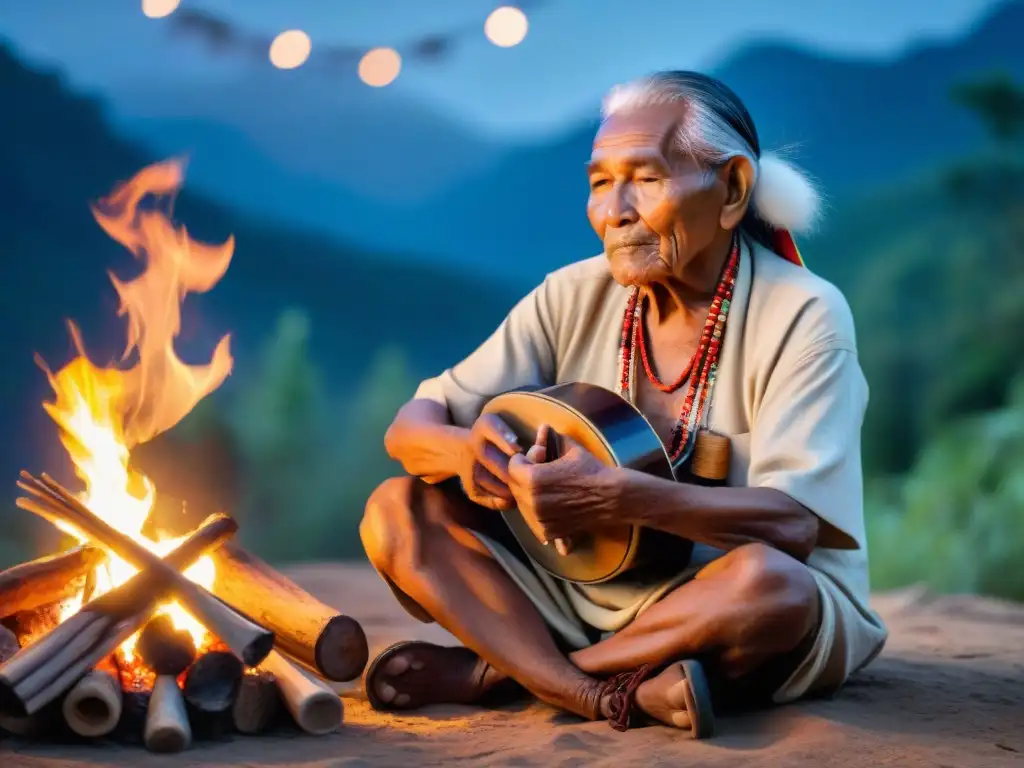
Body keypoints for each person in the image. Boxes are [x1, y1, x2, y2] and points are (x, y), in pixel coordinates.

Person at [359, 70, 888, 737]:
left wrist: (620, 499)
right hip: (583, 587)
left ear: (731, 190)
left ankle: (511, 674)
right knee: (396, 510)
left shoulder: (805, 314)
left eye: (645, 178)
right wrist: (468, 453)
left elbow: (794, 530)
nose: (615, 211)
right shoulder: (571, 295)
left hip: (715, 599)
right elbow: (411, 427)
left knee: (770, 588)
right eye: (600, 182)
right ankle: (610, 692)